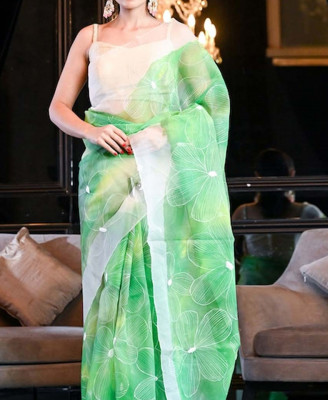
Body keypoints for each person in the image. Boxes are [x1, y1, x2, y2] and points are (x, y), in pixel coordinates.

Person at [48, 1, 239, 399]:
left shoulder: (175, 35)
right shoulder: (90, 37)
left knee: (160, 278)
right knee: (111, 292)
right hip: (105, 178)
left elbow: (213, 105)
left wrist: (162, 133)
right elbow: (58, 107)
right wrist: (91, 132)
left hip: (159, 174)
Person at [232, 148, 325, 285]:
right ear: (292, 174)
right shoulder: (308, 213)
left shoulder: (243, 213)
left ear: (257, 176)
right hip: (292, 287)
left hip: (250, 288)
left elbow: (225, 253)